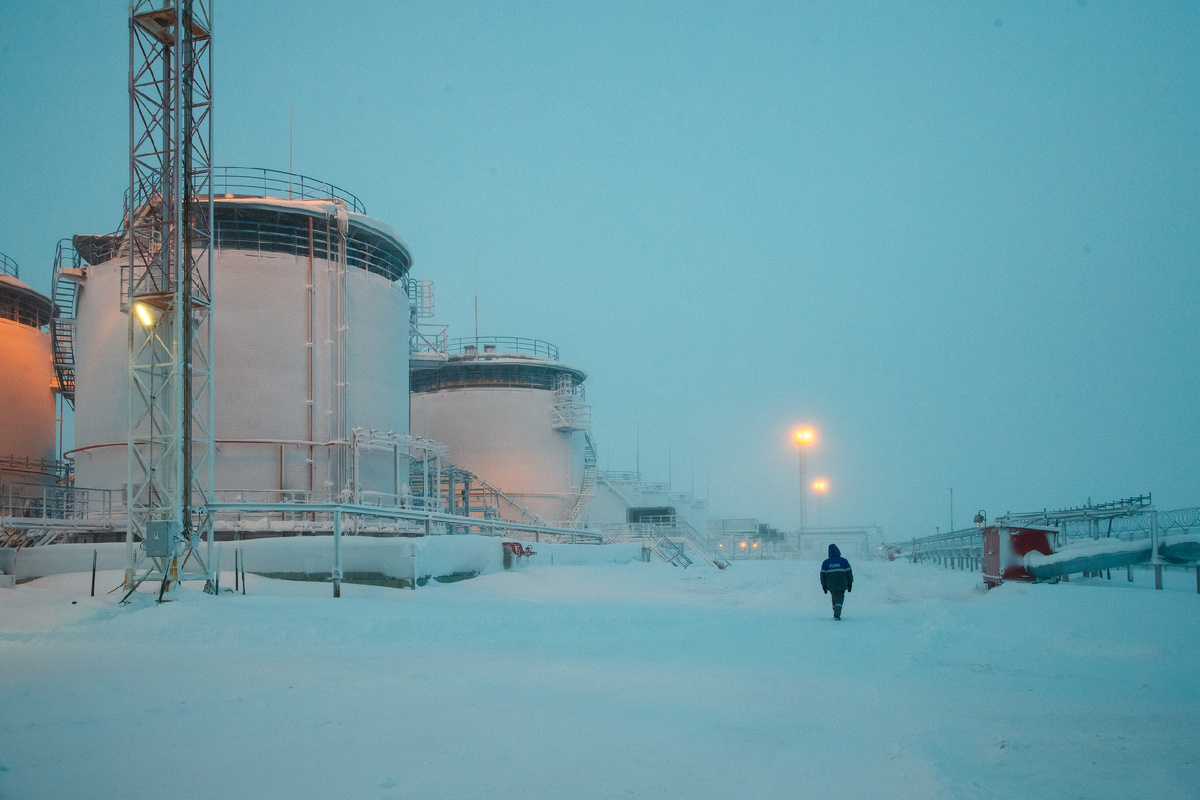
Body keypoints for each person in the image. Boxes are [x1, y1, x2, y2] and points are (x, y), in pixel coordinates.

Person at [820, 543, 853, 620]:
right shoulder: (844, 561)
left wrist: (824, 585)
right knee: (840, 598)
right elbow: (849, 573)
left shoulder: (826, 563)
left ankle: (835, 612)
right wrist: (850, 583)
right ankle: (837, 614)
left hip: (830, 585)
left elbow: (823, 575)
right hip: (842, 584)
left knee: (834, 598)